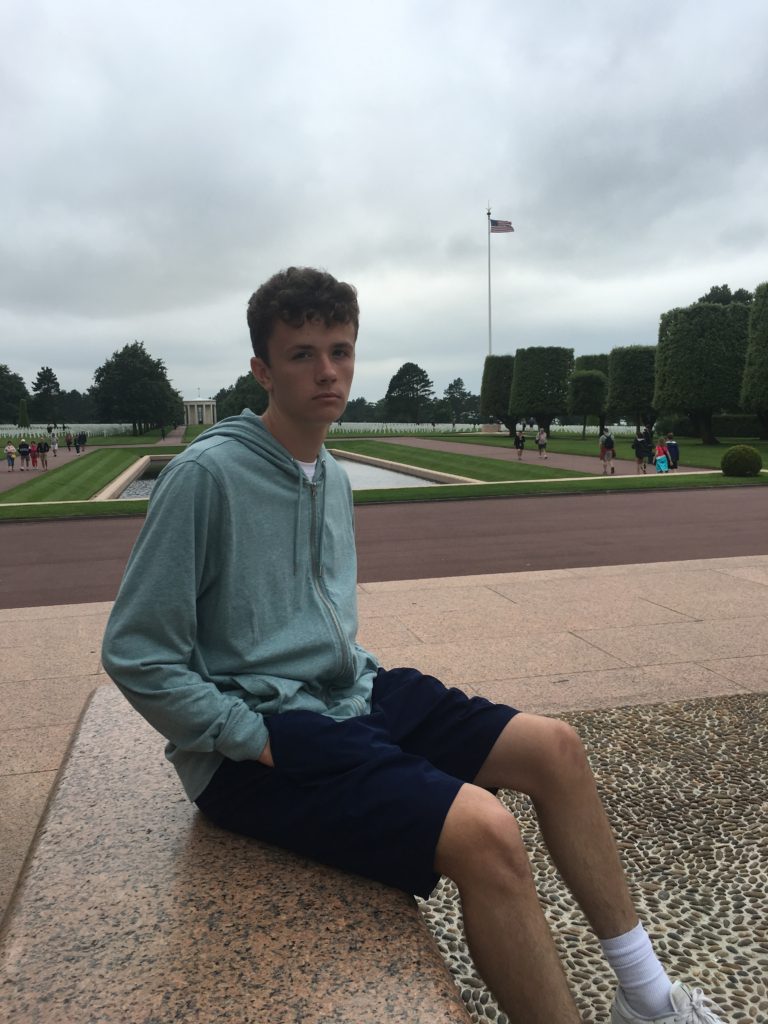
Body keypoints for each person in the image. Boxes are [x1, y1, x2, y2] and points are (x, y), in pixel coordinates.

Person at [101, 267, 725, 1024]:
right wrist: (248, 736)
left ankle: (648, 997)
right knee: (487, 834)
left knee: (556, 748)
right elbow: (137, 652)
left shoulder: (327, 472)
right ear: (262, 368)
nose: (326, 371)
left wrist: (356, 684)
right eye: (301, 354)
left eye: (339, 350)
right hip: (256, 744)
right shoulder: (206, 476)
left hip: (347, 696)